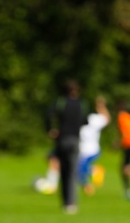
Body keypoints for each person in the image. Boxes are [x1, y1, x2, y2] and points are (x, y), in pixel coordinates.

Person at [45, 80, 88, 214]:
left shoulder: (60, 102)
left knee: (63, 171)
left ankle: (65, 202)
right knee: (72, 172)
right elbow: (85, 121)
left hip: (62, 139)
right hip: (75, 139)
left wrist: (50, 129)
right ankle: (71, 203)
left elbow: (47, 115)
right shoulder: (81, 104)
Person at [78, 96, 110, 195]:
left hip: (90, 150)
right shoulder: (80, 120)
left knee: (78, 169)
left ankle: (88, 186)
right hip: (85, 150)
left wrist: (101, 106)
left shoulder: (93, 119)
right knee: (78, 169)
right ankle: (93, 173)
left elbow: (106, 119)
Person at [115, 99, 130, 197]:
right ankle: (128, 188)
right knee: (127, 167)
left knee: (125, 168)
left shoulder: (121, 117)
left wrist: (118, 144)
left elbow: (123, 133)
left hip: (128, 144)